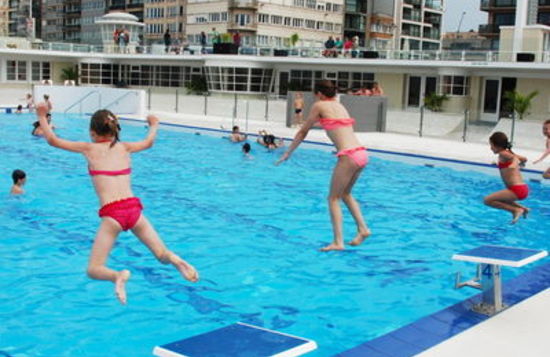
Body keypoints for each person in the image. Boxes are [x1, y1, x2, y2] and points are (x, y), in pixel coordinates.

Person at [35, 103, 198, 304]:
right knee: (161, 253)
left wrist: (42, 115)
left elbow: (52, 140)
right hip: (134, 209)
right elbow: (148, 142)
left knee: (94, 269)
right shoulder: (125, 147)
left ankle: (117, 276)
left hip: (113, 215)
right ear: (115, 130)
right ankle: (174, 259)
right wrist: (154, 124)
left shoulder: (88, 148)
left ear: (93, 133)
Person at [276, 80, 370, 251]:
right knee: (346, 194)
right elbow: (335, 124)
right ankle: (363, 229)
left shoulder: (319, 105)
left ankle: (338, 242)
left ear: (319, 93)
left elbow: (303, 131)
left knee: (333, 198)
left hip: (348, 156)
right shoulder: (339, 105)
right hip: (361, 153)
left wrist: (288, 152)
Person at [484, 132, 529, 224]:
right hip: (521, 188)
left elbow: (515, 159)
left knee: (487, 200)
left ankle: (515, 210)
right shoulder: (505, 153)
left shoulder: (503, 153)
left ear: (497, 145)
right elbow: (524, 159)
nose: (490, 148)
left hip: (516, 190)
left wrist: (514, 164)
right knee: (499, 199)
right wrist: (499, 165)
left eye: (491, 145)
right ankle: (522, 209)